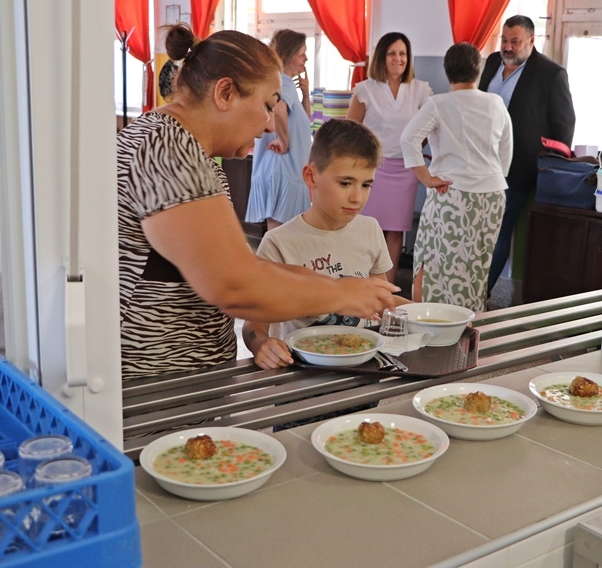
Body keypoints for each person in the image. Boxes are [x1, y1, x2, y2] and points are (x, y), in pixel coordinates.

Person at [117, 24, 398, 380]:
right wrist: (339, 295)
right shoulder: (170, 151)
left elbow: (232, 263)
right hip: (156, 374)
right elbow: (234, 284)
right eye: (267, 106)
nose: (268, 126)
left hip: (182, 372)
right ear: (225, 93)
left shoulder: (177, 146)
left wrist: (337, 285)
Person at [243, 119, 410, 370]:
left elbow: (382, 301)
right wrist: (261, 345)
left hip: (362, 368)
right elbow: (254, 325)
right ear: (311, 176)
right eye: (345, 183)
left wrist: (437, 316)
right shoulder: (279, 242)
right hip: (300, 373)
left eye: (366, 185)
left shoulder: (370, 229)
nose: (357, 197)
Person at [401, 43, 512, 313]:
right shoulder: (496, 102)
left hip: (452, 194)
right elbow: (506, 150)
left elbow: (408, 139)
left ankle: (426, 322)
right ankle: (469, 331)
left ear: (447, 70)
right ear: (479, 69)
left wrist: (427, 179)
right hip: (492, 196)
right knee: (475, 270)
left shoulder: (438, 104)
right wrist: (491, 179)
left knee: (432, 259)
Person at [480, 15, 575, 297]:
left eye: (515, 42)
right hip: (481, 164)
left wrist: (547, 168)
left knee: (499, 229)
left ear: (532, 41)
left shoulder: (551, 74)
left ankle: (478, 293)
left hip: (519, 170)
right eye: (504, 41)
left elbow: (564, 126)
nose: (508, 48)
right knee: (477, 230)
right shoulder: (491, 64)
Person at [346, 32, 432, 283]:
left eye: (403, 53)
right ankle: (362, 283)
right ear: (382, 57)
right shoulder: (365, 90)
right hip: (372, 170)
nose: (398, 59)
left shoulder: (420, 90)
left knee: (395, 232)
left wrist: (413, 148)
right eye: (392, 53)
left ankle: (387, 289)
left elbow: (427, 129)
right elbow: (351, 131)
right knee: (367, 229)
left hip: (406, 171)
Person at [246, 29, 313, 230]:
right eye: (301, 54)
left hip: (283, 170)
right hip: (284, 170)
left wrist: (306, 95)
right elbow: (279, 109)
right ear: (288, 55)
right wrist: (283, 142)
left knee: (279, 236)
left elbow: (302, 121)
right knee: (279, 237)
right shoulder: (283, 81)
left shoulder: (282, 82)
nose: (306, 59)